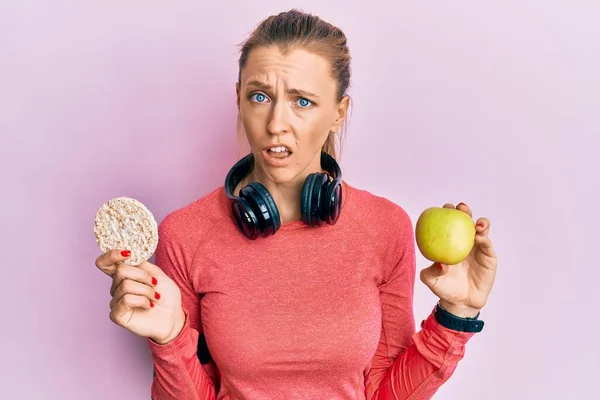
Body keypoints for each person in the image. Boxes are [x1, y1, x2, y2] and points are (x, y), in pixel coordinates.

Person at [95, 9, 498, 400]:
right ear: (238, 99)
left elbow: (386, 394)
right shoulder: (186, 233)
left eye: (302, 101)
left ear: (338, 113)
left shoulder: (384, 227)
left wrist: (456, 311)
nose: (275, 123)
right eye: (260, 96)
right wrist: (170, 338)